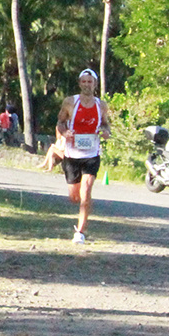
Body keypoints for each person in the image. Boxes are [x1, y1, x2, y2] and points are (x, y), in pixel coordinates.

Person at [56, 68, 111, 244]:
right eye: (84, 82)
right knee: (75, 196)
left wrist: (105, 132)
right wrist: (65, 133)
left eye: (90, 82)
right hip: (72, 155)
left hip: (92, 154)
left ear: (95, 84)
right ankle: (83, 206)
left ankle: (80, 231)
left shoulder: (101, 105)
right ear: (80, 83)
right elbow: (60, 122)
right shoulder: (70, 102)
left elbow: (106, 125)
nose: (87, 85)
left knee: (86, 191)